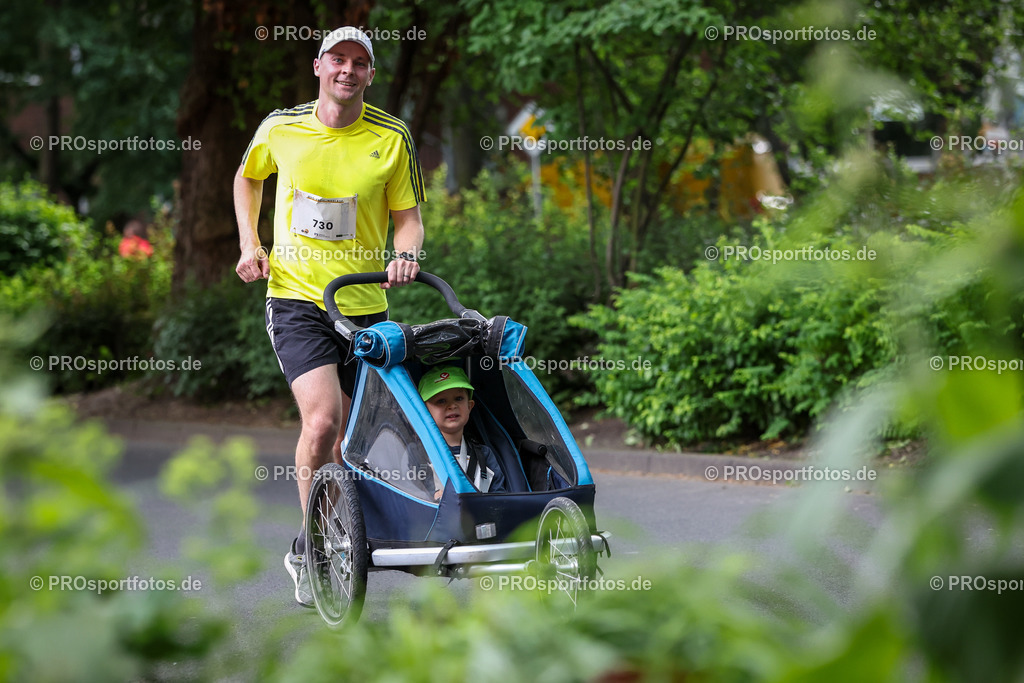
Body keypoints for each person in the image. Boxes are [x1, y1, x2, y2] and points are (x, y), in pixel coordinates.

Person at [233, 26, 426, 607]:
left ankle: (306, 541)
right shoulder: (281, 127)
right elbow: (248, 179)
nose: (347, 70)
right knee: (322, 424)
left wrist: (407, 255)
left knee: (350, 440)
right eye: (337, 59)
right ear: (318, 66)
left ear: (371, 74)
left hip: (363, 305)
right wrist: (249, 243)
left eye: (359, 63)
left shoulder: (392, 137)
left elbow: (408, 220)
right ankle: (319, 553)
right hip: (296, 299)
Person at [418, 366, 506, 499]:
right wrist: (431, 497)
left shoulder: (484, 455)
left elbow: (500, 498)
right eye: (441, 401)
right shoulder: (418, 454)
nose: (452, 405)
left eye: (458, 398)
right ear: (425, 411)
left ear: (469, 406)